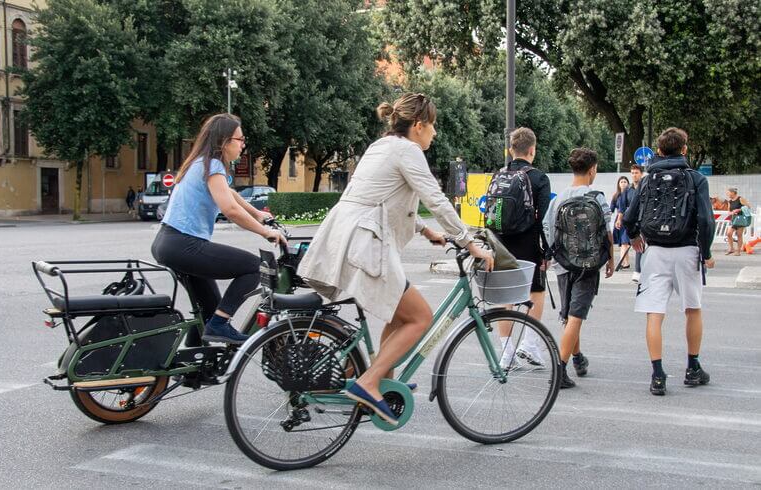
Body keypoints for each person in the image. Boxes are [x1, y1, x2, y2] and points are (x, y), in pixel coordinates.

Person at [297, 93, 495, 425]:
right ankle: (369, 382)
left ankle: (382, 377)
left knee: (398, 312)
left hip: (348, 236)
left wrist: (423, 230)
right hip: (366, 242)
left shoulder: (381, 146)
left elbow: (380, 196)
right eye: (432, 126)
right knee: (420, 317)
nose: (434, 133)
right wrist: (470, 242)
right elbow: (435, 198)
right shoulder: (408, 150)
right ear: (418, 126)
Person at [151, 113, 286, 345]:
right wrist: (265, 232)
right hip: (184, 244)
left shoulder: (201, 162)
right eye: (239, 140)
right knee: (253, 267)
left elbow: (230, 194)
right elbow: (230, 209)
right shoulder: (212, 165)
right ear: (224, 142)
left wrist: (257, 213)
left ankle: (193, 368)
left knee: (209, 307)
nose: (243, 145)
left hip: (169, 243)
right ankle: (220, 325)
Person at [622, 127, 715, 396]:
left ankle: (658, 375)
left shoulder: (648, 180)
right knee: (693, 308)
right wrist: (706, 252)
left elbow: (629, 217)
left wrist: (635, 237)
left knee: (654, 313)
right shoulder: (696, 179)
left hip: (655, 252)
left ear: (659, 152)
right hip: (687, 250)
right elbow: (706, 220)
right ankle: (693, 367)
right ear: (684, 149)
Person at [543, 148, 614, 388]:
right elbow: (607, 232)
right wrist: (611, 259)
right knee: (576, 316)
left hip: (563, 264)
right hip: (589, 265)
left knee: (569, 316)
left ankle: (577, 357)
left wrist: (551, 259)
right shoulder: (598, 197)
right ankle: (560, 370)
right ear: (592, 169)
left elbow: (548, 230)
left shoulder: (558, 199)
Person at [491, 127, 552, 368]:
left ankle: (506, 354)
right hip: (528, 243)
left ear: (510, 150)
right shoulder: (539, 178)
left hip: (501, 243)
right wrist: (547, 251)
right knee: (535, 293)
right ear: (532, 150)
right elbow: (544, 219)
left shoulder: (499, 174)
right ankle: (529, 344)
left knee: (506, 297)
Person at [616, 164, 644, 282]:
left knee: (642, 245)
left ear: (641, 174)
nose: (634, 175)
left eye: (636, 173)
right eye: (632, 173)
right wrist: (619, 219)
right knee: (626, 243)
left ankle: (639, 270)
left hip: (643, 220)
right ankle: (634, 269)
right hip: (630, 221)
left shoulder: (645, 187)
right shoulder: (627, 189)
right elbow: (622, 207)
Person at [610, 176, 631, 269]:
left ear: (628, 183)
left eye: (625, 182)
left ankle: (622, 263)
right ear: (618, 184)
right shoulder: (616, 196)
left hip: (628, 220)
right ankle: (626, 263)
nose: (623, 183)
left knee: (624, 242)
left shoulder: (631, 194)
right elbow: (611, 209)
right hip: (619, 221)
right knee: (623, 243)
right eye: (621, 182)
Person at [725, 187, 752, 256]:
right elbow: (729, 211)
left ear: (733, 192)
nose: (727, 194)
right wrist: (731, 213)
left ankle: (738, 251)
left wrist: (739, 210)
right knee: (729, 233)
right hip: (733, 219)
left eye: (728, 193)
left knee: (739, 235)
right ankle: (731, 249)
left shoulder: (740, 199)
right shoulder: (729, 201)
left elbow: (748, 206)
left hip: (741, 219)